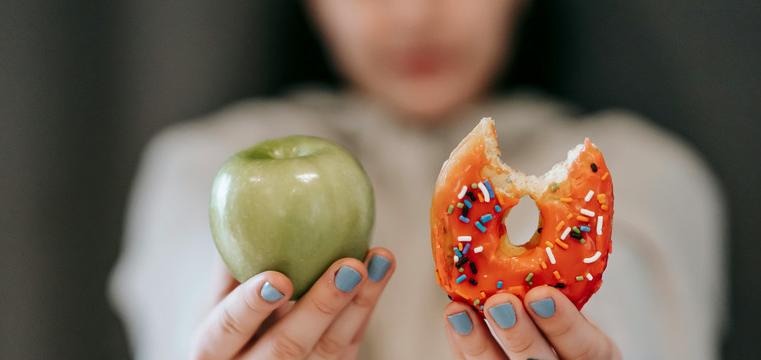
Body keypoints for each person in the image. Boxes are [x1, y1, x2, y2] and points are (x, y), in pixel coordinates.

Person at [109, 1, 726, 359]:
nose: (415, 14)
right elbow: (183, 313)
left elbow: (636, 322)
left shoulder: (647, 173)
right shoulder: (199, 166)